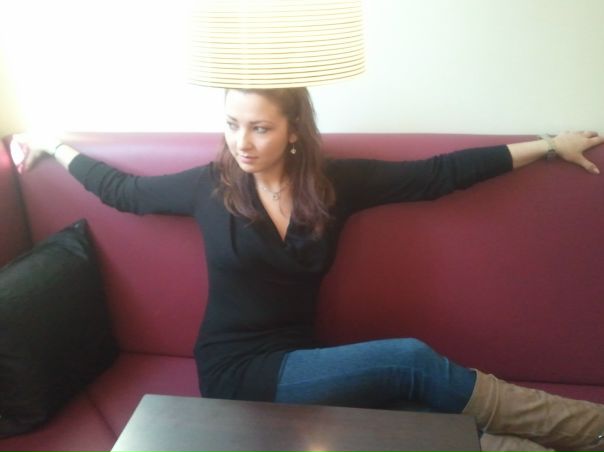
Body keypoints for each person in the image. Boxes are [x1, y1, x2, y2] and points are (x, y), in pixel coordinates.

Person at [13, 88, 604, 452]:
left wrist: (548, 145)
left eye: (260, 127)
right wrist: (53, 145)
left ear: (294, 129)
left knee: (413, 424)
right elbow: (121, 190)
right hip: (235, 370)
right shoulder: (208, 186)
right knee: (410, 360)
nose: (241, 142)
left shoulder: (333, 183)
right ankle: (592, 428)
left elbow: (437, 174)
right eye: (232, 124)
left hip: (301, 357)